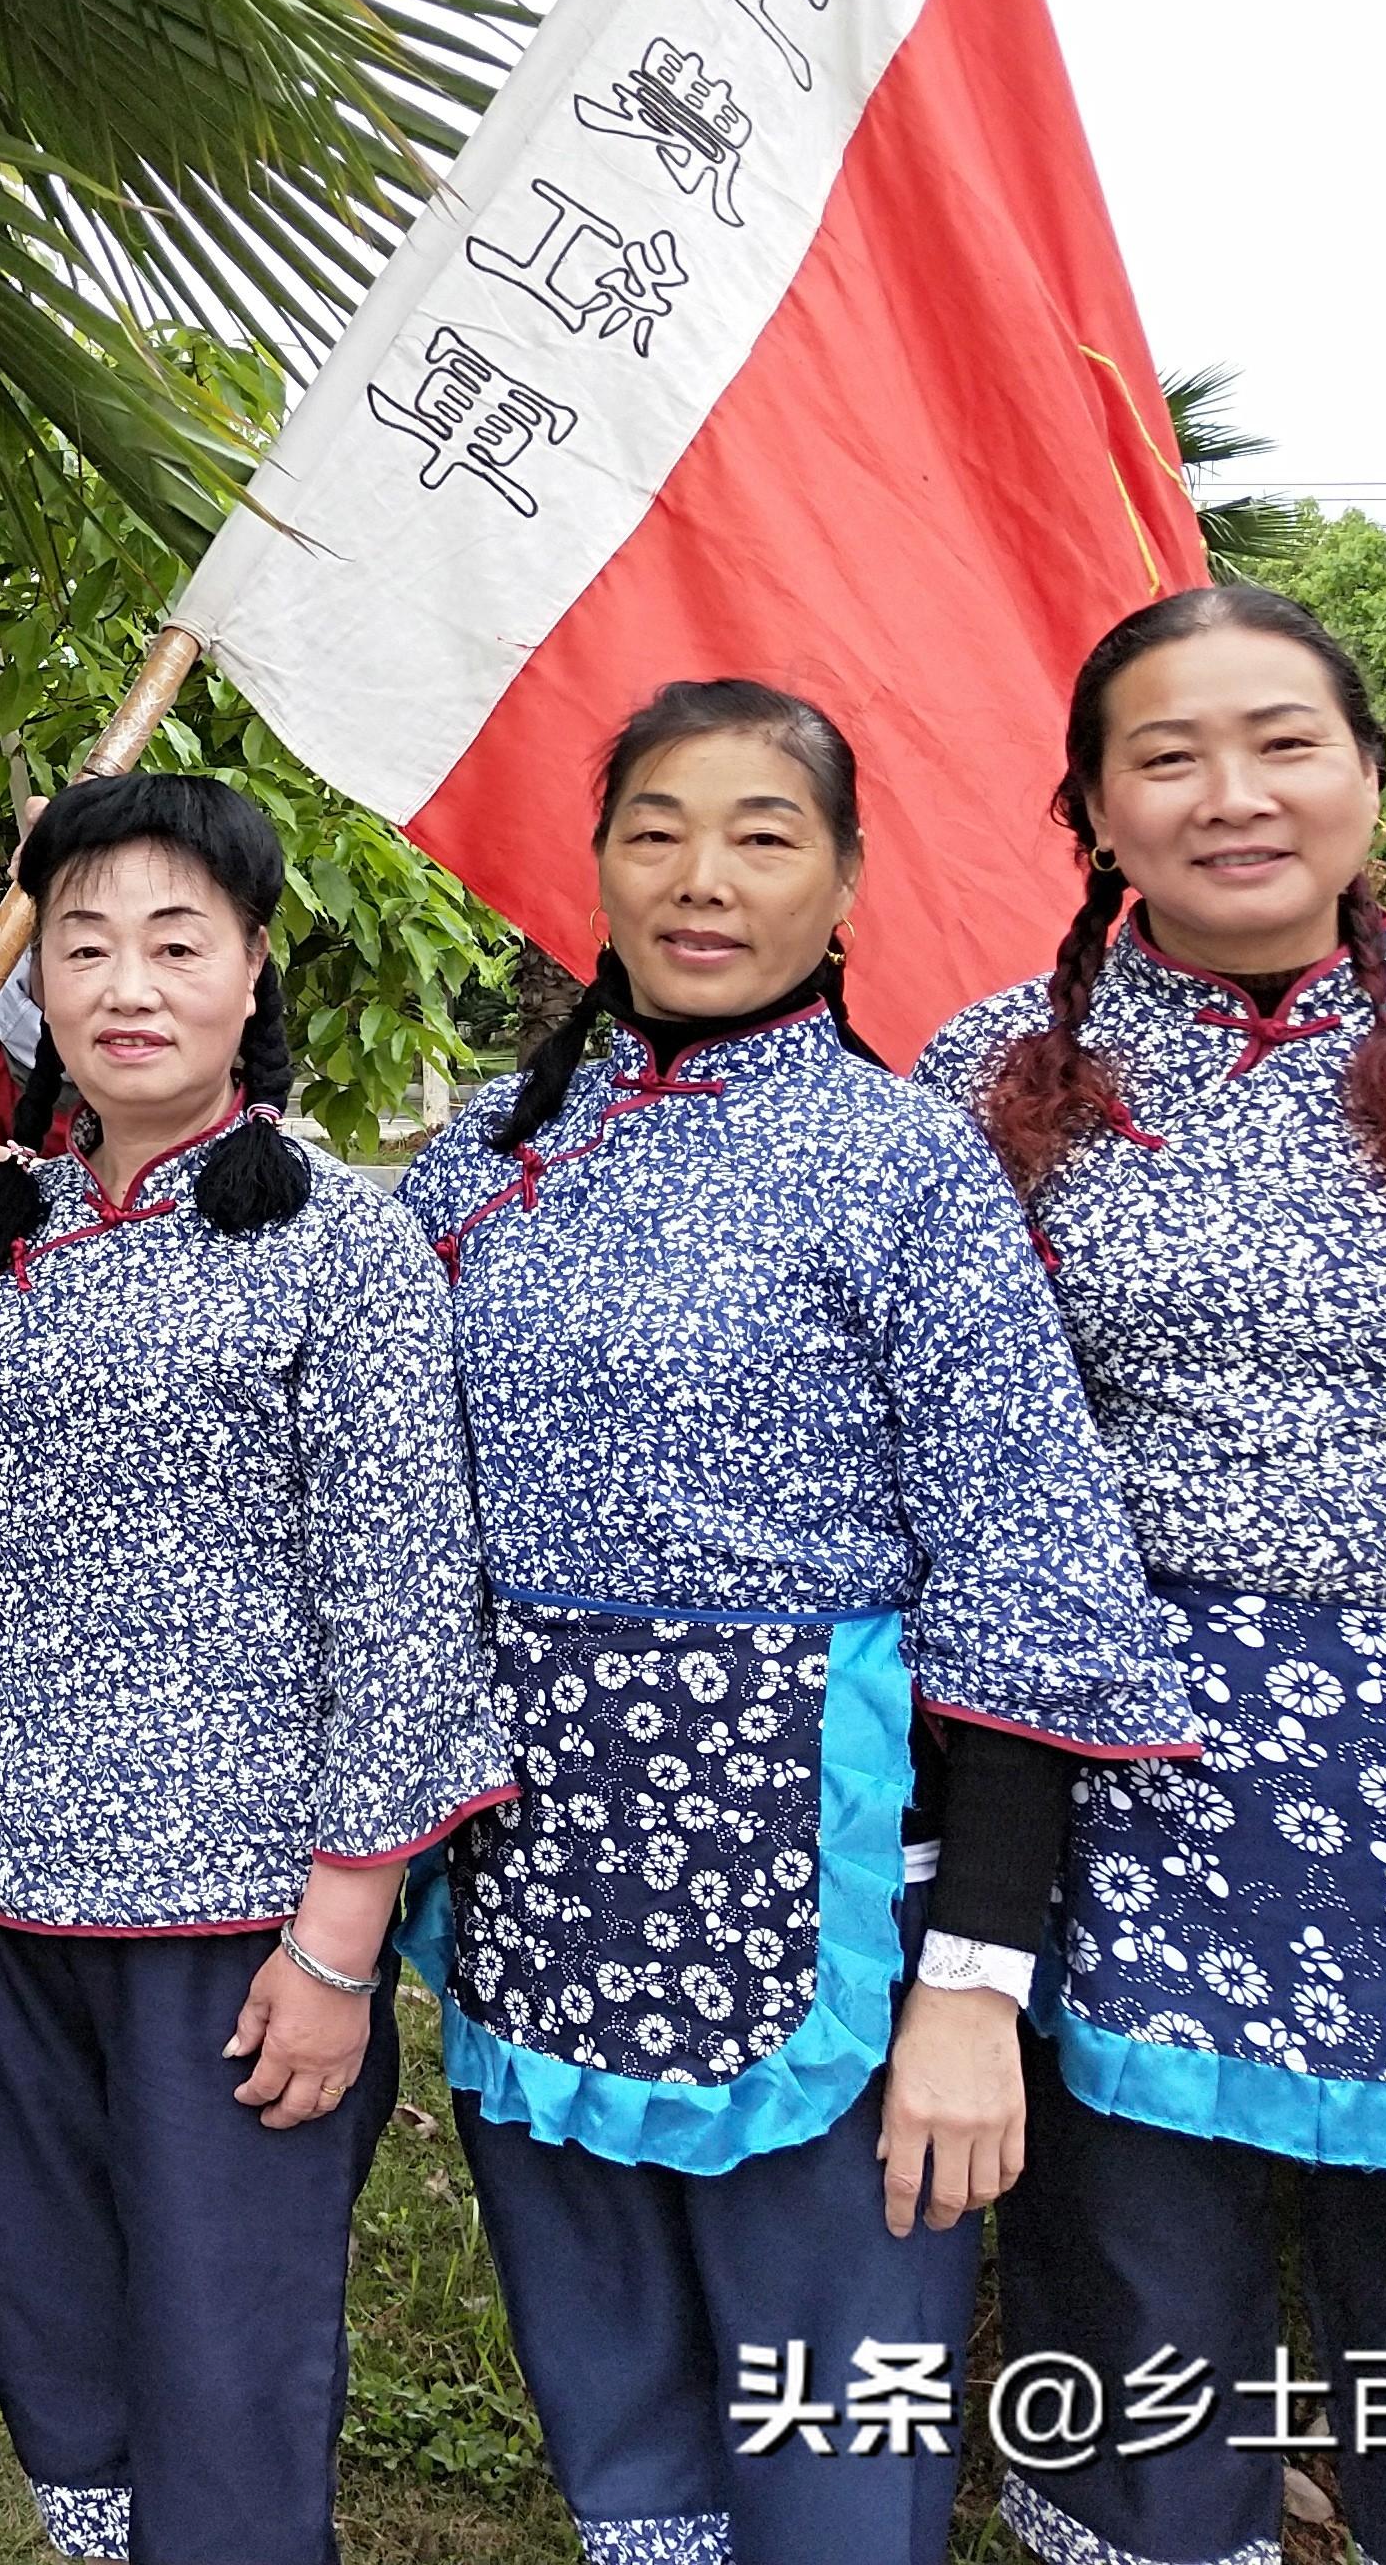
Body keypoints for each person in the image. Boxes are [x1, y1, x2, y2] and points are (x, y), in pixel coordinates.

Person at [392, 678, 1194, 2565]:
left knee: (836, 2425)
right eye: (657, 827)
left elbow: (1025, 1581)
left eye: (766, 834)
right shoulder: (484, 1159)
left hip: (818, 1887)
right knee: (618, 2403)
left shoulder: (907, 1167)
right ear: (593, 866)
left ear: (846, 885)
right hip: (546, 1867)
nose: (703, 877)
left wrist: (974, 1988)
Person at [922, 582, 1386, 2565]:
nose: (1231, 796)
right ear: (1095, 808)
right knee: (1133, 2333)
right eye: (1165, 756)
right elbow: (927, 1465)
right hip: (1109, 1802)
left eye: (1284, 743)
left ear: (1365, 774)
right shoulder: (987, 1081)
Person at [0, 772, 506, 2565]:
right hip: (2, 1882)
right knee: (59, 2333)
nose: (128, 984)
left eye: (178, 941)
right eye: (83, 944)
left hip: (232, 1914)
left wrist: (339, 1938)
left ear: (251, 975)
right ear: (38, 987)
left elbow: (401, 1597)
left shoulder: (339, 1241)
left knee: (226, 2361)